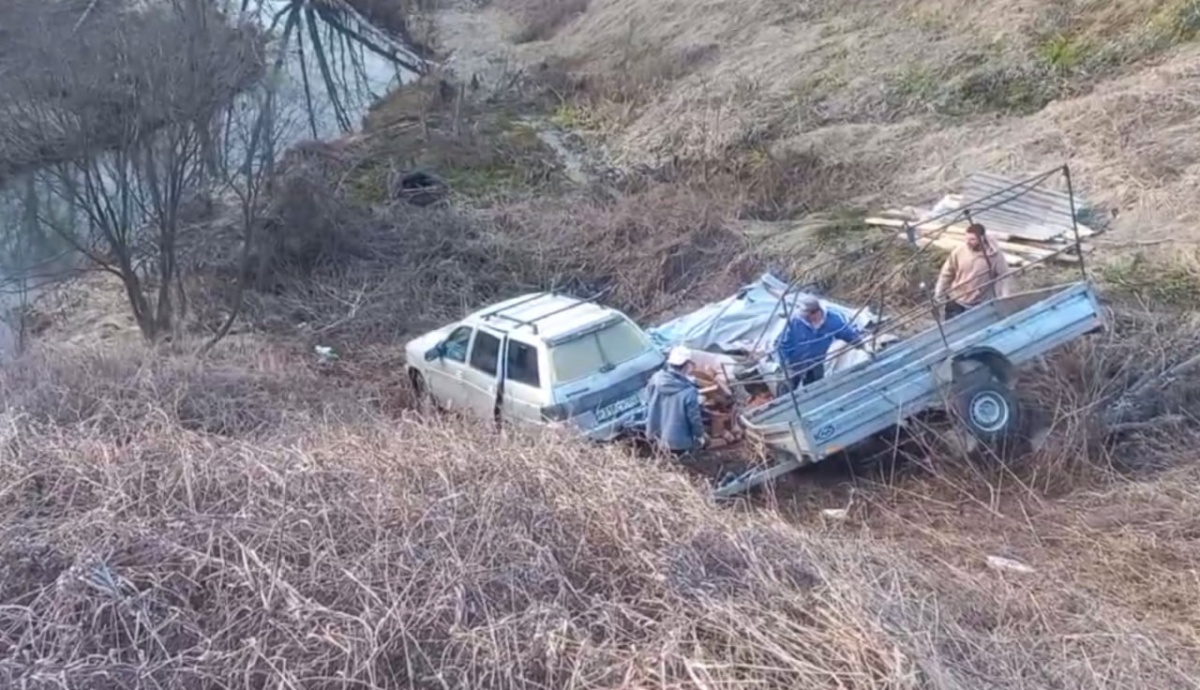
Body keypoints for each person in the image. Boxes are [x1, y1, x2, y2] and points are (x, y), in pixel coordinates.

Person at [776, 297, 867, 390]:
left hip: (816, 361)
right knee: (788, 389)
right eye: (805, 317)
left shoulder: (832, 320)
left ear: (817, 312)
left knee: (815, 388)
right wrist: (784, 363)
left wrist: (862, 345)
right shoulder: (796, 321)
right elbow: (782, 343)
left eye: (810, 316)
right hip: (794, 363)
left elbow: (847, 333)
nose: (808, 319)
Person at [934, 223, 1013, 320]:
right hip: (957, 300)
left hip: (981, 303)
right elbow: (947, 273)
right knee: (954, 330)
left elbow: (1003, 276)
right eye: (966, 239)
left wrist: (1005, 297)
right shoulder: (959, 252)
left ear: (982, 238)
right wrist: (939, 292)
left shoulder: (994, 256)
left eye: (972, 239)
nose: (968, 242)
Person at [644, 346, 706, 458]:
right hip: (678, 442)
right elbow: (694, 419)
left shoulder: (655, 379)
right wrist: (700, 436)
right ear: (687, 365)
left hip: (656, 434)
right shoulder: (688, 392)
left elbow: (648, 400)